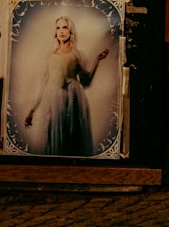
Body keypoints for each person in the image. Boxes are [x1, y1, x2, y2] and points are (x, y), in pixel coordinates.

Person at [23, 16, 109, 156]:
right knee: (53, 136)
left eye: (65, 27)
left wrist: (97, 61)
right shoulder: (50, 55)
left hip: (72, 98)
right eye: (58, 28)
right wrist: (32, 111)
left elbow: (85, 81)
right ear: (55, 32)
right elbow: (44, 84)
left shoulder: (77, 55)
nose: (61, 31)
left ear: (71, 31)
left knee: (71, 136)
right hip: (53, 99)